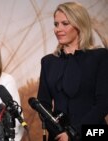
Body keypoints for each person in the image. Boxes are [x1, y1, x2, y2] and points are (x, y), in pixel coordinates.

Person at [37, 2, 108, 141]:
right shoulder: (48, 62)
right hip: (58, 136)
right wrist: (57, 132)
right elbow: (43, 104)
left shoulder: (100, 57)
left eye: (65, 23)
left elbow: (103, 103)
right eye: (56, 24)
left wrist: (73, 133)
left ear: (79, 24)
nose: (58, 29)